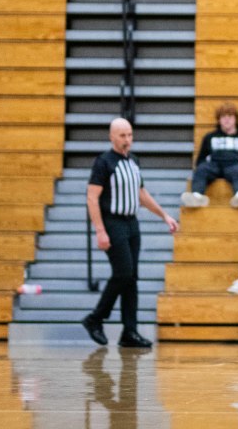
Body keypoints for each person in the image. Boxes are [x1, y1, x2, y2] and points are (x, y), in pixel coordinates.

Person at [82, 118, 179, 348]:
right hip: (112, 222)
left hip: (131, 223)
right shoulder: (103, 162)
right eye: (122, 136)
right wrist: (100, 230)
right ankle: (95, 318)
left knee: (131, 278)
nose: (127, 140)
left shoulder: (134, 161)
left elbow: (142, 195)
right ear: (112, 137)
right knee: (123, 273)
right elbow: (91, 197)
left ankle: (130, 331)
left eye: (130, 135)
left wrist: (165, 215)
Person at [181, 102, 238, 209]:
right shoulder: (209, 137)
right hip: (213, 166)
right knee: (202, 169)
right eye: (223, 116)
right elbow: (199, 162)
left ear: (236, 119)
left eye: (230, 116)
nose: (227, 120)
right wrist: (208, 161)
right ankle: (197, 196)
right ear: (219, 119)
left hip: (234, 166)